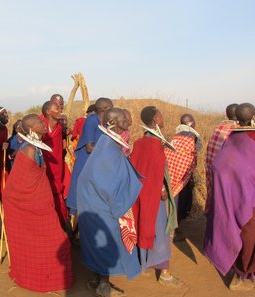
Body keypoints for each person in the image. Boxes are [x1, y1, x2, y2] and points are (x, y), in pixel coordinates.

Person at [203, 103, 255, 291]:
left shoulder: (231, 137)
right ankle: (242, 274)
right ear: (253, 117)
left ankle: (247, 272)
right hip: (247, 196)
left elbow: (221, 166)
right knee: (248, 235)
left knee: (239, 232)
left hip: (229, 194)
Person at [3, 114, 73, 292]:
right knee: (54, 241)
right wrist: (38, 200)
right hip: (30, 204)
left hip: (40, 203)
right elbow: (23, 182)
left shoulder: (36, 147)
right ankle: (42, 279)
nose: (44, 124)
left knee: (51, 241)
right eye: (40, 123)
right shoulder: (29, 150)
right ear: (32, 129)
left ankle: (47, 278)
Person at [77, 108, 142, 297]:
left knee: (98, 242)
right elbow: (108, 182)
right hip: (102, 203)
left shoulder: (107, 144)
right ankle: (103, 285)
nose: (128, 122)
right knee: (107, 241)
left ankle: (96, 279)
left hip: (95, 200)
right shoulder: (109, 149)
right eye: (124, 119)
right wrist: (119, 205)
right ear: (113, 122)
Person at [130, 106, 183, 288]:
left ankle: (145, 264)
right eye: (160, 115)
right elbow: (157, 169)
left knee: (145, 224)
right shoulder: (154, 144)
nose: (163, 117)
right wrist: (162, 189)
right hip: (155, 196)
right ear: (154, 120)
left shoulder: (139, 143)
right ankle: (165, 274)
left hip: (142, 194)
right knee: (160, 231)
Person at [66, 97, 113, 217]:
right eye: (111, 108)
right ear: (104, 109)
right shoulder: (92, 121)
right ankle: (74, 228)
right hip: (85, 162)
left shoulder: (105, 123)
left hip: (96, 164)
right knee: (81, 197)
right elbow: (89, 147)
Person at [164, 113, 202, 240]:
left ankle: (172, 227)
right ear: (190, 124)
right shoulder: (192, 137)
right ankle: (173, 230)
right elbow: (192, 156)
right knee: (180, 203)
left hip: (170, 173)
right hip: (182, 175)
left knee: (173, 201)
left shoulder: (175, 137)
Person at [204, 104, 239, 214]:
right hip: (230, 177)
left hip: (215, 175)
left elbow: (210, 155)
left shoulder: (218, 130)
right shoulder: (238, 130)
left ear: (226, 115)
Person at [40, 101, 70, 225]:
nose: (60, 111)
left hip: (58, 169)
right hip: (44, 169)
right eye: (56, 108)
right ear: (48, 112)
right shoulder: (41, 127)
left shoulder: (58, 127)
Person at [0, 107, 9, 193]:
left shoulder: (5, 129)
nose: (6, 116)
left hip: (1, 158)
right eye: (3, 114)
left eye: (6, 114)